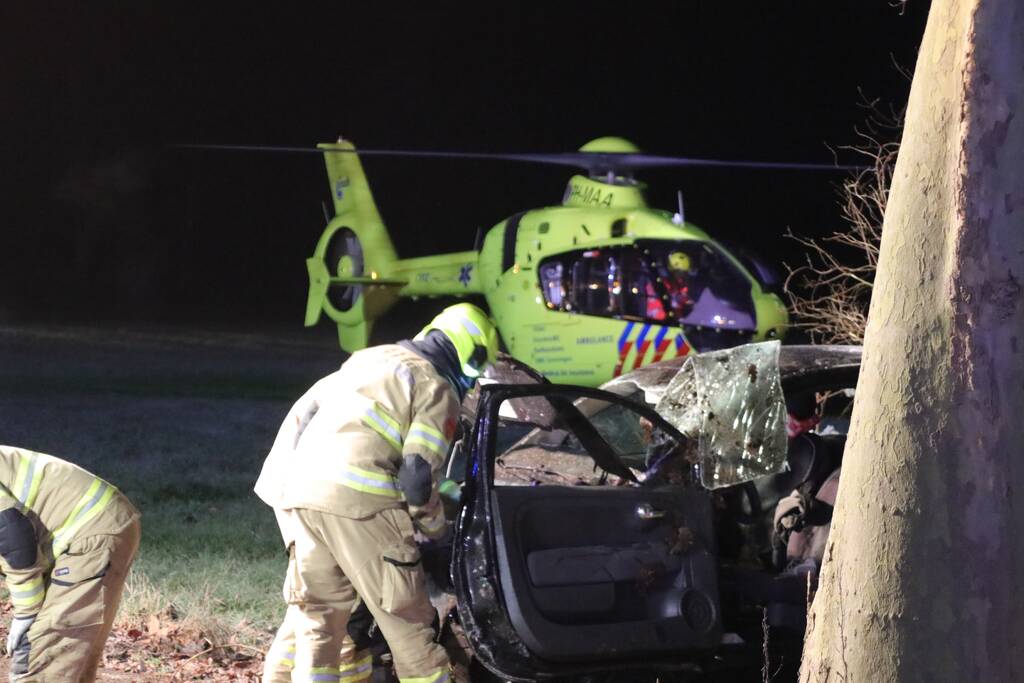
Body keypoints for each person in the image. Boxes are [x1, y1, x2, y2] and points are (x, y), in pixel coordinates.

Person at [256, 303, 499, 683]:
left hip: (299, 492)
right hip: (359, 503)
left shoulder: (369, 358)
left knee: (318, 624)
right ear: (473, 354)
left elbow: (313, 415)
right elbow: (417, 477)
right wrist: (437, 534)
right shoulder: (435, 386)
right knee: (407, 622)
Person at [0, 445, 141, 683]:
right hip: (87, 529)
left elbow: (11, 533)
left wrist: (26, 612)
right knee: (70, 664)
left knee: (43, 655)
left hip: (88, 530)